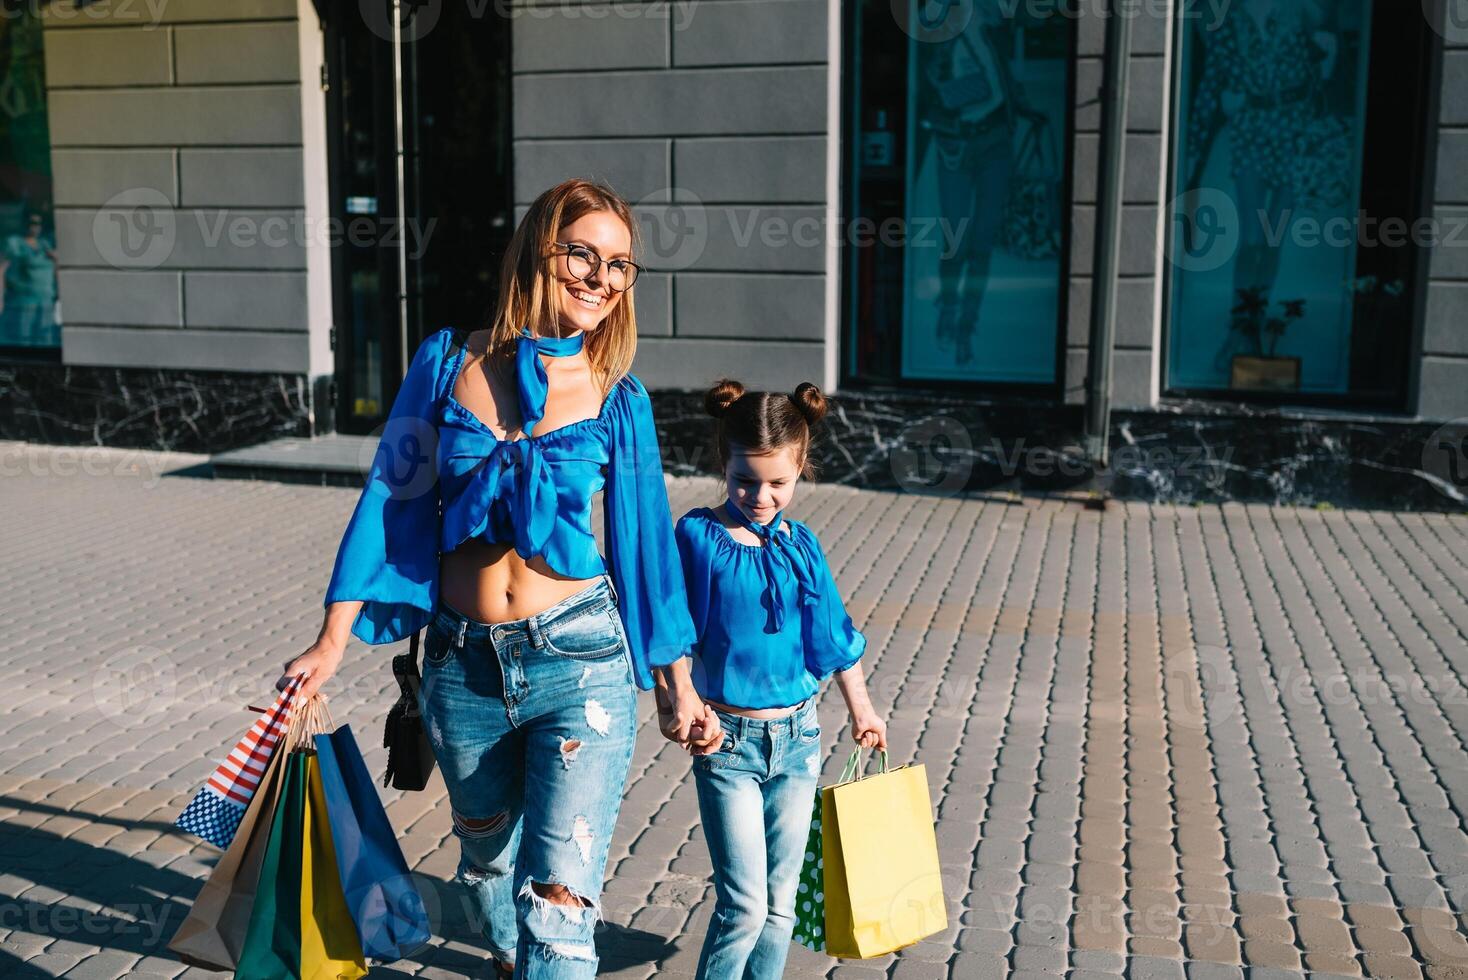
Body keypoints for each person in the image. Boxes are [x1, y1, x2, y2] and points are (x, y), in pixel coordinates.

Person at [275, 178, 720, 979]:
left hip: (580, 663)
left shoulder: (619, 398)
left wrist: (677, 683)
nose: (599, 278)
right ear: (535, 252)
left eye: (620, 265)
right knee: (486, 866)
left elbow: (648, 551)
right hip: (461, 669)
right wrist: (331, 640)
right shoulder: (447, 362)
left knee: (557, 907)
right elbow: (390, 498)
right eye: (581, 253)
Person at [672, 379, 888, 980]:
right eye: (746, 479)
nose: (761, 496)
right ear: (724, 464)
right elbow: (671, 633)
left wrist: (862, 711)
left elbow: (834, 637)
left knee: (780, 908)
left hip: (798, 741)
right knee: (744, 907)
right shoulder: (698, 538)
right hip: (727, 744)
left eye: (778, 483)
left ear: (801, 470)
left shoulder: (803, 545)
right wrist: (678, 700)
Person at [0, 210, 58, 347]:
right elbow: (2, 268)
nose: (35, 227)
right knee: (24, 337)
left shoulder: (45, 244)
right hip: (24, 300)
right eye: (32, 223)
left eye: (38, 224)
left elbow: (56, 269)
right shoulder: (15, 243)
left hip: (46, 299)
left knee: (45, 336)